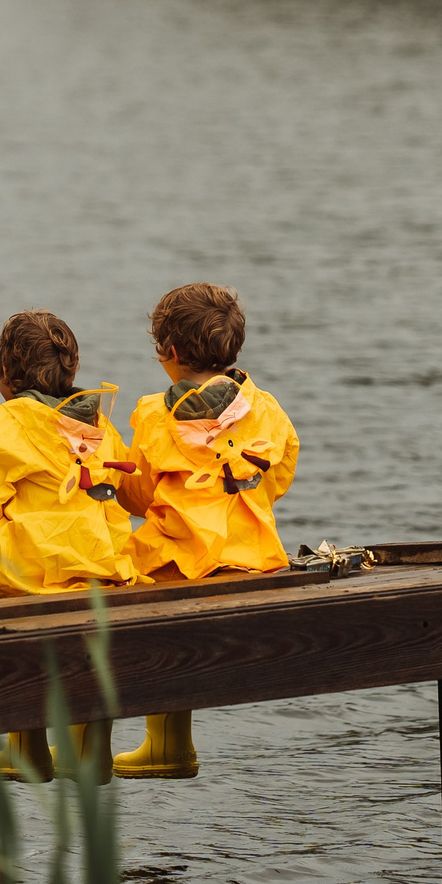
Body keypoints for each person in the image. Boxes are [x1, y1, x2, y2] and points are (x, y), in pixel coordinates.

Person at [0, 310, 132, 790]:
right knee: (90, 635)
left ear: (4, 374)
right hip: (103, 576)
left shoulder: (2, 426)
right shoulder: (100, 425)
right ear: (70, 370)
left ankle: (25, 749)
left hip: (27, 582)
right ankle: (91, 751)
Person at [109, 283, 300, 778]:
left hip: (182, 562)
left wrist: (114, 477)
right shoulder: (267, 408)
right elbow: (278, 476)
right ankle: (168, 747)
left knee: (111, 582)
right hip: (255, 556)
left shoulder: (155, 413)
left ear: (170, 353)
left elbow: (142, 495)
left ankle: (163, 743)